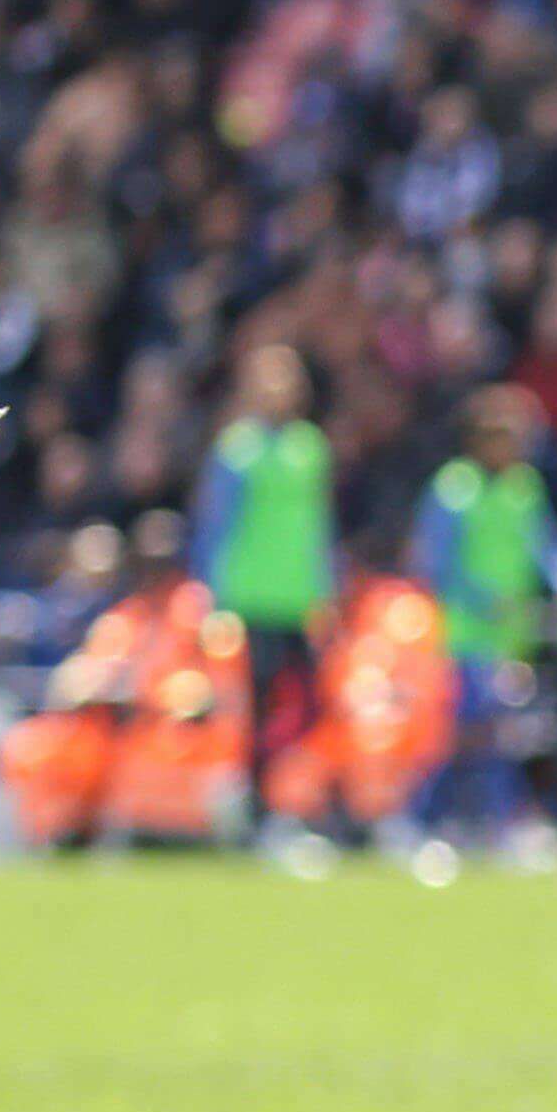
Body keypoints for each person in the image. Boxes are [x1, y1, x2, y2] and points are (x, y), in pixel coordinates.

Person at [195, 340, 334, 838]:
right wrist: (212, 598)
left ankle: (294, 803)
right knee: (255, 713)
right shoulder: (237, 451)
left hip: (298, 602)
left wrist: (326, 592)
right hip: (250, 601)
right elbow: (214, 527)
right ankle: (254, 811)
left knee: (311, 709)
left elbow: (319, 529)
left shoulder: (311, 448)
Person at [413, 384, 557, 843]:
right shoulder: (454, 489)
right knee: (464, 734)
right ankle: (421, 820)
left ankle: (493, 823)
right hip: (461, 635)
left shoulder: (524, 489)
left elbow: (545, 545)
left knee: (502, 735)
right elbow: (434, 564)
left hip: (509, 637)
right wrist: (481, 600)